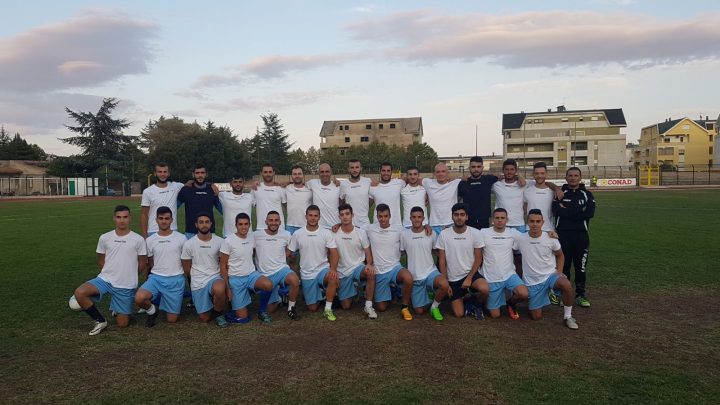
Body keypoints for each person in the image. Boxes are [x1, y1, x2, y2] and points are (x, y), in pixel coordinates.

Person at [70, 205, 146, 335]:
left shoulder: (138, 239)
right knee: (80, 292)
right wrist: (110, 273)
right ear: (114, 218)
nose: (122, 220)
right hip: (106, 279)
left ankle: (118, 308)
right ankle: (100, 321)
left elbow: (142, 264)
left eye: (125, 217)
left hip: (125, 285)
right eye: (118, 217)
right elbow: (101, 260)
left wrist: (128, 275)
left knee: (123, 324)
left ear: (130, 218)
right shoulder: (105, 237)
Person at [516, 209, 578, 329]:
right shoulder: (520, 238)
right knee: (536, 317)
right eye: (532, 221)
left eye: (538, 221)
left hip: (550, 276)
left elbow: (560, 255)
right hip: (532, 281)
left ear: (542, 222)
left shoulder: (550, 238)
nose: (535, 224)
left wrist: (559, 272)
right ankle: (548, 294)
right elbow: (513, 251)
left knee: (566, 284)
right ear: (527, 222)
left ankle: (568, 316)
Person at [135, 206, 187, 327]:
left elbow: (185, 261)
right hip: (156, 279)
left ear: (171, 220)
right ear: (156, 220)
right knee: (139, 298)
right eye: (161, 218)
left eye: (167, 218)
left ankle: (166, 300)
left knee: (172, 320)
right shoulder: (150, 240)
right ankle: (152, 310)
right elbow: (151, 262)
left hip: (176, 279)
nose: (164, 221)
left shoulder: (181, 238)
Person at [552, 167, 596, 308]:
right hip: (562, 235)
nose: (573, 178)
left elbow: (589, 213)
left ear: (580, 177)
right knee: (563, 267)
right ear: (566, 177)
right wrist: (577, 210)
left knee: (580, 267)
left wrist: (567, 210)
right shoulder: (559, 193)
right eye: (570, 175)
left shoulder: (587, 194)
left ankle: (580, 295)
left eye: (576, 175)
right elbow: (556, 211)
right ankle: (562, 294)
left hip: (581, 236)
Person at [288, 205, 340, 321]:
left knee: (332, 277)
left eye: (315, 216)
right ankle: (322, 293)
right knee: (312, 308)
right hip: (307, 274)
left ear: (319, 217)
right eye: (310, 215)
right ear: (305, 216)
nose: (313, 218)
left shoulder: (325, 233)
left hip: (323, 270)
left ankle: (327, 309)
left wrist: (333, 269)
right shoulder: (298, 233)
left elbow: (334, 253)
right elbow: (290, 253)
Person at [435, 203, 487, 319]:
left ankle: (475, 303)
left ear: (467, 217)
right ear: (452, 216)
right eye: (456, 215)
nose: (459, 217)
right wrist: (445, 281)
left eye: (462, 215)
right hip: (453, 279)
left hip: (471, 275)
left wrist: (469, 278)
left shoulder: (475, 233)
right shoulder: (444, 234)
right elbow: (442, 260)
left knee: (484, 289)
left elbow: (479, 258)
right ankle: (465, 298)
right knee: (459, 314)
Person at [220, 213, 273, 323]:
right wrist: (228, 288)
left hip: (251, 275)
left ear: (249, 225)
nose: (243, 227)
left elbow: (252, 254)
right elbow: (223, 266)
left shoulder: (252, 237)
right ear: (236, 225)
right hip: (235, 279)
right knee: (243, 319)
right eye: (240, 224)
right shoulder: (228, 241)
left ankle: (262, 311)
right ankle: (227, 313)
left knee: (268, 284)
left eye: (246, 224)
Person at [365, 204, 414, 320]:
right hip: (379, 271)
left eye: (385, 216)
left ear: (390, 216)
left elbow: (414, 232)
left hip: (394, 268)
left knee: (408, 278)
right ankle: (393, 289)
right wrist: (337, 225)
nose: (383, 219)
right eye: (380, 216)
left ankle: (404, 307)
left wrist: (427, 227)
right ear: (376, 216)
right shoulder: (370, 229)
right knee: (382, 307)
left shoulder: (399, 229)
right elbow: (353, 228)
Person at [180, 213, 228, 328]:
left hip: (215, 277)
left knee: (220, 288)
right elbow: (187, 268)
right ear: (196, 225)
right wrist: (195, 279)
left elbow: (224, 263)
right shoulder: (189, 244)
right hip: (198, 281)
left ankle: (218, 313)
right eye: (201, 222)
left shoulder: (220, 241)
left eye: (207, 222)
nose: (204, 224)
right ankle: (211, 302)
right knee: (204, 318)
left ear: (211, 224)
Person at [479, 208, 529, 320]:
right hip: (491, 277)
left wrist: (549, 234)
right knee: (495, 315)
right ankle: (484, 301)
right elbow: (468, 236)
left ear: (507, 220)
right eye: (497, 218)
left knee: (523, 294)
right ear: (492, 219)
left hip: (509, 275)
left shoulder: (513, 233)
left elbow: (530, 237)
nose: (500, 220)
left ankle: (510, 303)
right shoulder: (483, 232)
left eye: (502, 218)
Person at [400, 206, 448, 320]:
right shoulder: (404, 235)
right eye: (414, 217)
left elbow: (436, 251)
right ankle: (429, 293)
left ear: (423, 218)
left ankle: (434, 307)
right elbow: (401, 253)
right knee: (419, 311)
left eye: (419, 217)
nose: (417, 219)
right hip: (415, 277)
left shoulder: (430, 233)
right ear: (410, 218)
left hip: (431, 272)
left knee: (444, 285)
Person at [253, 211, 301, 321]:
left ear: (280, 222)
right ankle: (280, 298)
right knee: (270, 309)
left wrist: (288, 256)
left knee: (295, 280)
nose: (273, 223)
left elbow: (292, 250)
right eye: (271, 220)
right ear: (265, 222)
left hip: (281, 269)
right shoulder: (256, 235)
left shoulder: (286, 234)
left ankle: (291, 308)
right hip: (265, 275)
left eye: (276, 220)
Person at [333, 203, 377, 318]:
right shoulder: (334, 233)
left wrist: (369, 264)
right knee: (346, 306)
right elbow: (330, 255)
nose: (345, 217)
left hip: (358, 268)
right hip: (342, 272)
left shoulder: (360, 232)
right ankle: (356, 289)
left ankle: (368, 305)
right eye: (342, 215)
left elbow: (368, 253)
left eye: (347, 214)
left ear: (352, 215)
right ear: (339, 217)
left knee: (371, 272)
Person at [140, 162, 184, 238]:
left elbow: (192, 185)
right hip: (153, 231)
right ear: (155, 173)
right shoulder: (148, 191)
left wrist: (211, 186)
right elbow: (144, 215)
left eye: (165, 172)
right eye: (160, 172)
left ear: (168, 173)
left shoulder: (176, 186)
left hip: (172, 230)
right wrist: (145, 237)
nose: (162, 174)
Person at [177, 164, 221, 238]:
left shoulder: (212, 190)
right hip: (190, 233)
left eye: (202, 173)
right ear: (193, 174)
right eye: (197, 173)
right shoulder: (186, 190)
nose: (200, 175)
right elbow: (174, 207)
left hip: (209, 232)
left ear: (206, 174)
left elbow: (221, 209)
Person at [458, 156, 499, 230]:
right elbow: (458, 200)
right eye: (473, 167)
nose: (476, 169)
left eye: (478, 166)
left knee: (482, 241)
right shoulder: (463, 183)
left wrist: (519, 177)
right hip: (468, 220)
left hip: (484, 220)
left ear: (482, 168)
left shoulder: (489, 179)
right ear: (469, 168)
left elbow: (505, 176)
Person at [423, 163, 461, 234]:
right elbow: (413, 180)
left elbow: (467, 179)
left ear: (448, 173)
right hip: (434, 225)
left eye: (443, 171)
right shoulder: (427, 182)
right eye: (438, 172)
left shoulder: (456, 183)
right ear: (434, 174)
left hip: (451, 224)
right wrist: (425, 194)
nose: (440, 174)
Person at [492, 159, 528, 232]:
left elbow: (543, 183)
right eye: (506, 169)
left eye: (512, 169)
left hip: (519, 224)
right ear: (503, 170)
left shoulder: (523, 184)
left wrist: (557, 188)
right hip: (502, 225)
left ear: (516, 170)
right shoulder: (496, 185)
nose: (509, 172)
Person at [523, 162, 556, 232]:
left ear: (546, 174)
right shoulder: (527, 191)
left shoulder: (553, 192)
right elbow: (524, 210)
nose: (539, 176)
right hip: (530, 230)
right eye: (537, 173)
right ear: (533, 174)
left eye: (542, 173)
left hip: (548, 230)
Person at [306, 163, 341, 229]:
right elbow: (298, 184)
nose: (325, 174)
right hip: (318, 227)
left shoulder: (338, 186)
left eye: (327, 171)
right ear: (318, 173)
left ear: (331, 172)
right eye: (322, 172)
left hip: (334, 226)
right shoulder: (312, 183)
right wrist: (287, 182)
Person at [369, 162, 405, 227]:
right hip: (378, 226)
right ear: (380, 171)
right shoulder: (373, 187)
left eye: (388, 171)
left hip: (395, 226)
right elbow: (366, 207)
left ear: (391, 172)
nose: (386, 173)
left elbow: (412, 179)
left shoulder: (399, 183)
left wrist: (426, 195)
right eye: (383, 170)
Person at [339, 159, 372, 228]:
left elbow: (372, 199)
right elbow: (341, 202)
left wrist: (365, 208)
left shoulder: (368, 181)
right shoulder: (343, 184)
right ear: (348, 169)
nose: (354, 170)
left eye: (357, 167)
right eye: (352, 167)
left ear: (361, 169)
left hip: (365, 223)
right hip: (350, 224)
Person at [253, 164, 287, 230]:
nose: (268, 174)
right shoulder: (255, 188)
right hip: (261, 228)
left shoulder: (280, 188)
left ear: (273, 173)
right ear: (261, 173)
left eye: (270, 172)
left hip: (279, 228)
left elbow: (287, 207)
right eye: (265, 172)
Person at [284, 165, 313, 234]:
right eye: (294, 174)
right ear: (291, 176)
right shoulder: (286, 188)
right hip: (290, 226)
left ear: (303, 175)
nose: (297, 176)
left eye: (299, 174)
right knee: (290, 245)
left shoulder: (310, 190)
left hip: (306, 225)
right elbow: (284, 203)